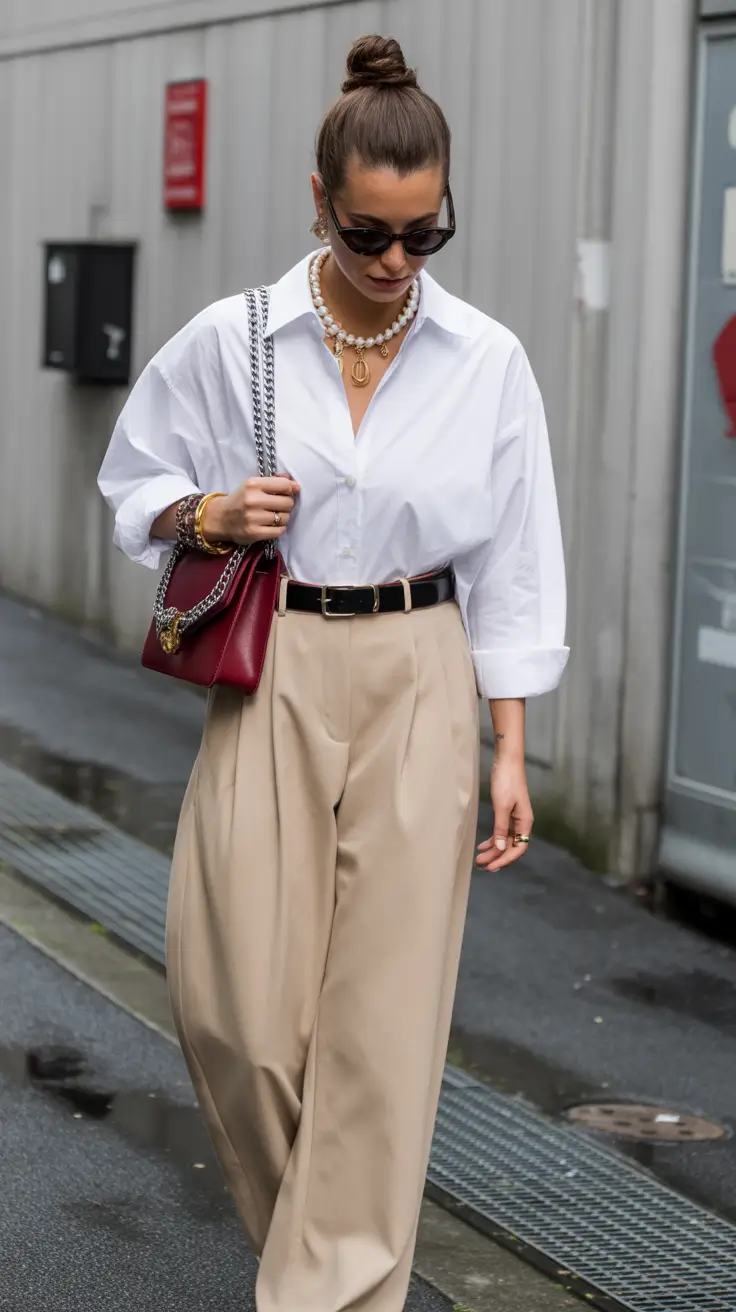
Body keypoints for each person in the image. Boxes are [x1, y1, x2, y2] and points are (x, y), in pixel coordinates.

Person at [98, 33, 569, 1312]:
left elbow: (517, 559)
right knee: (233, 1011)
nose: (396, 263)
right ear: (320, 203)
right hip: (276, 669)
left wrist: (510, 742)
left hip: (425, 671)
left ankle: (324, 1297)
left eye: (426, 234)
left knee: (383, 1026)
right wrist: (208, 515)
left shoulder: (487, 360)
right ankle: (332, 1259)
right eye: (370, 234)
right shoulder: (233, 336)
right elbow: (130, 485)